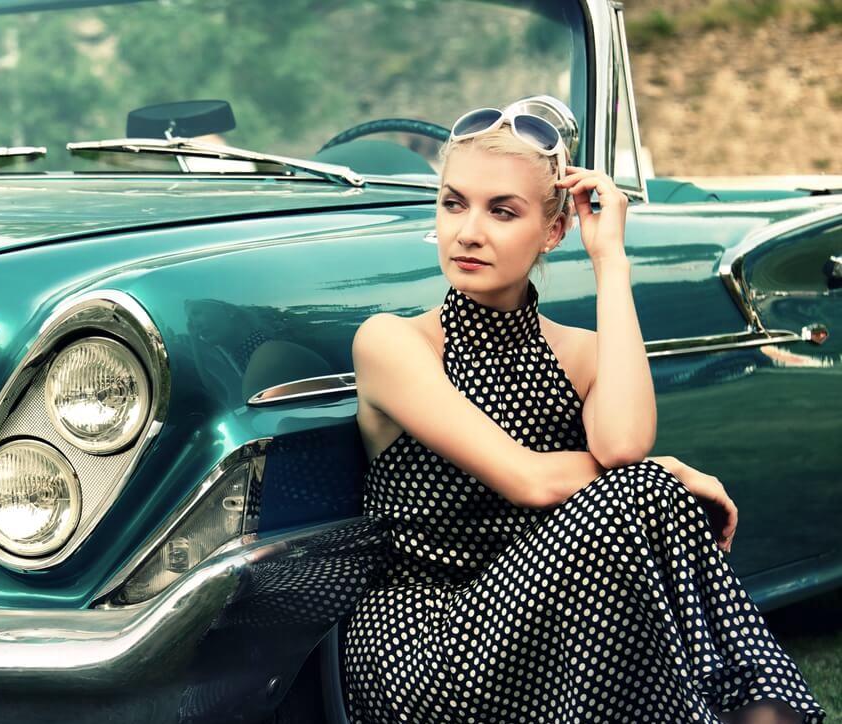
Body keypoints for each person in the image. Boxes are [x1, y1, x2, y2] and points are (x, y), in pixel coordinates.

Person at [341, 100, 826, 723]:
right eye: (454, 203)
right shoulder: (391, 343)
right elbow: (530, 479)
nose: (467, 231)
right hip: (427, 642)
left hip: (568, 627)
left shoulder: (584, 352)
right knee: (645, 492)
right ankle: (757, 709)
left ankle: (754, 710)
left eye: (503, 211)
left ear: (554, 231)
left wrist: (611, 260)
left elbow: (622, 448)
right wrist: (670, 472)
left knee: (636, 499)